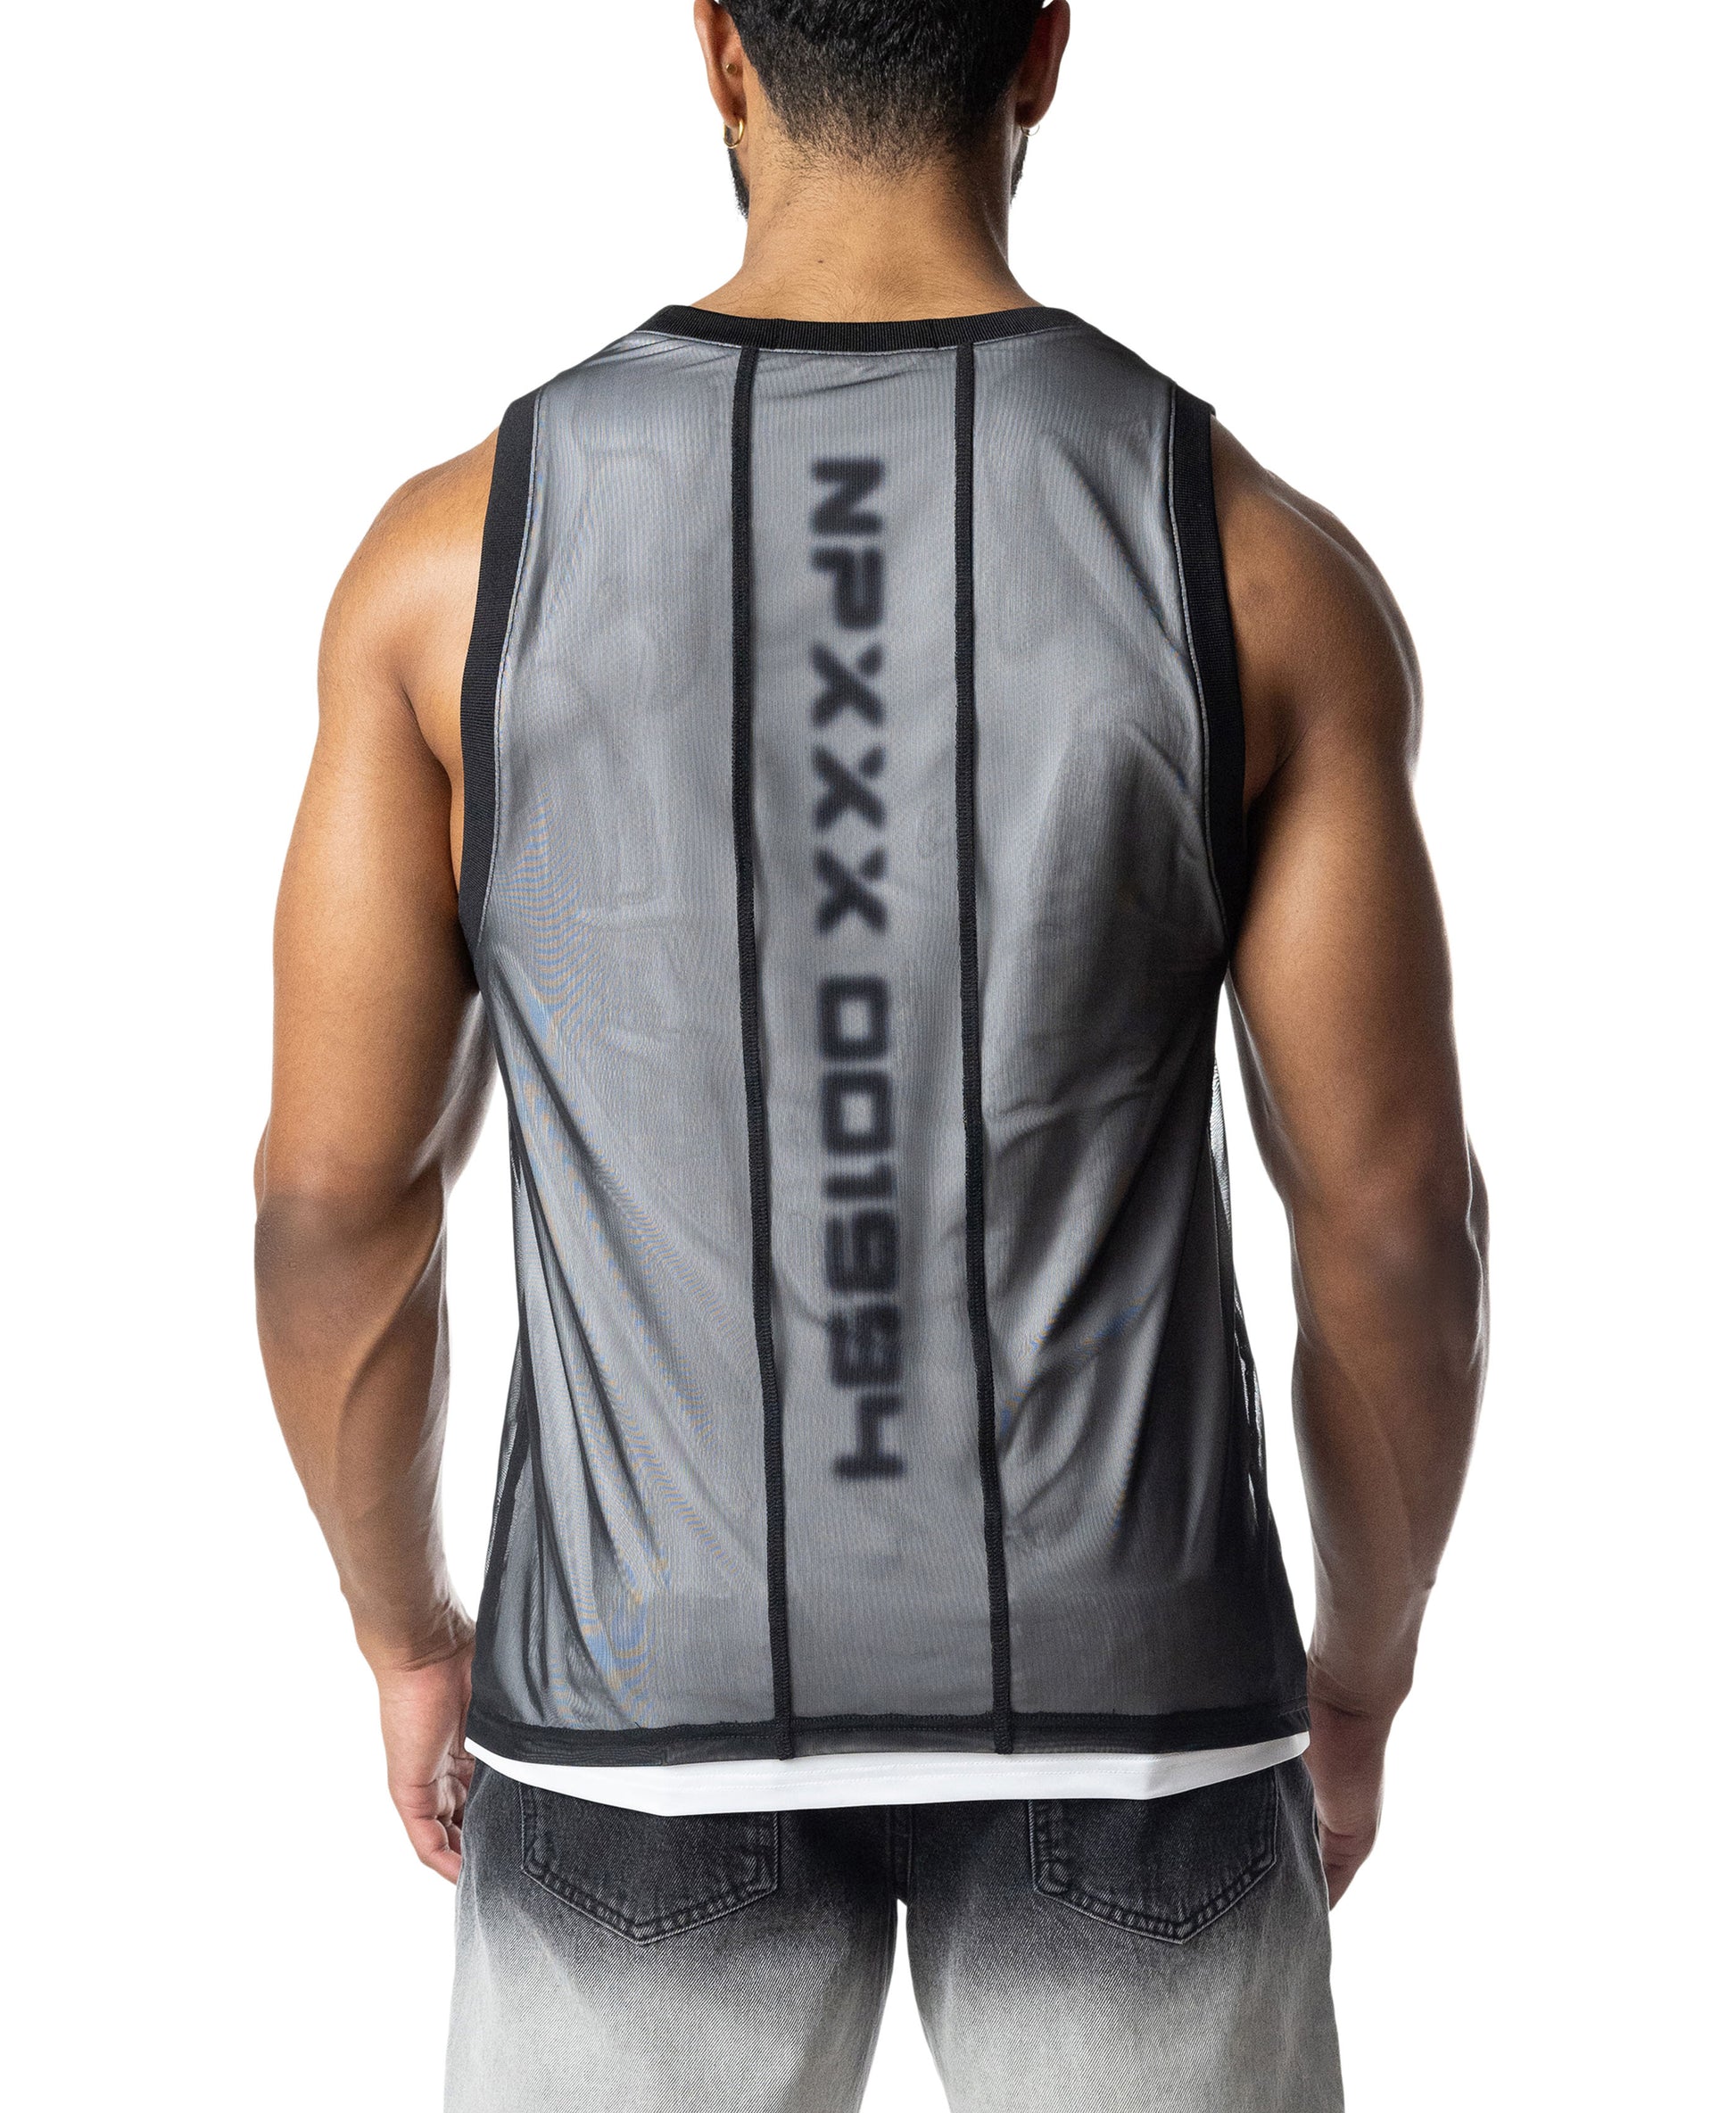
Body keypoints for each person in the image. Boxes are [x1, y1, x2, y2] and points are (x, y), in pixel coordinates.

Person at [254, 4, 1489, 2106]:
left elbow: (335, 1202)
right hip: (1140, 1704)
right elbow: (1389, 1226)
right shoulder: (1253, 560)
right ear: (1043, 47)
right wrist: (1360, 1670)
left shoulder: (453, 561)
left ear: (720, 52)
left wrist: (405, 1629)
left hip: (634, 1696)